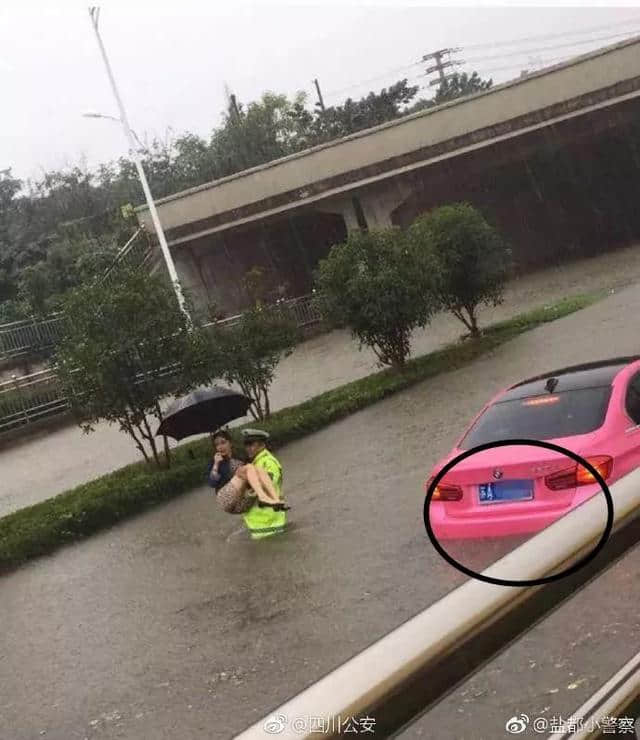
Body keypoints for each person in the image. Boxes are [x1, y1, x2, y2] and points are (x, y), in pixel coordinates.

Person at [207, 429, 287, 515]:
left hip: (241, 502)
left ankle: (276, 500)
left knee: (257, 470)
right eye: (217, 445)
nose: (220, 447)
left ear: (230, 443)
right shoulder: (216, 462)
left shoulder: (241, 457)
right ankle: (263, 497)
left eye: (223, 442)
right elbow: (212, 483)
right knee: (248, 468)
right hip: (226, 499)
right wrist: (216, 464)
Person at [240, 428, 288, 539]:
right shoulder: (256, 462)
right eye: (246, 445)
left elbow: (268, 482)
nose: (248, 448)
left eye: (251, 444)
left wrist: (246, 482)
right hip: (261, 522)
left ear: (262, 445)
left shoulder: (268, 462)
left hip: (268, 521)